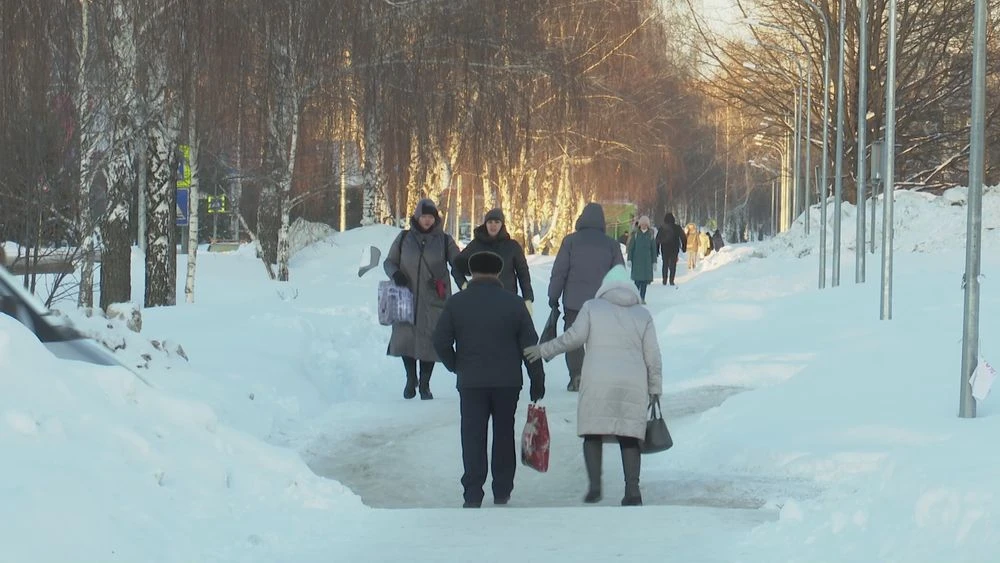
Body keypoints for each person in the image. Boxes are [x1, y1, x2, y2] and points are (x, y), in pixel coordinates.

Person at [524, 265, 662, 506]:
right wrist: (655, 389)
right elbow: (653, 357)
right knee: (630, 436)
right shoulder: (642, 315)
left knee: (592, 432)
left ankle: (595, 487)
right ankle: (632, 491)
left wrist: (543, 349)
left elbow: (572, 338)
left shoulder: (592, 308)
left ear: (605, 287)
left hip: (598, 381)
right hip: (632, 383)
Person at [433, 250, 546, 508]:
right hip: (507, 382)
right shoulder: (515, 303)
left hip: (471, 381)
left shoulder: (457, 303)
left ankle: (473, 492)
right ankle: (502, 490)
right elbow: (530, 345)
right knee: (504, 433)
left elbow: (440, 341)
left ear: (472, 273)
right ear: (497, 273)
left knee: (472, 435)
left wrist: (455, 365)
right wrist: (537, 378)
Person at [383, 198, 465, 400]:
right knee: (405, 338)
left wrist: (468, 268)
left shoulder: (444, 240)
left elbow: (458, 261)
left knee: (431, 340)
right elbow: (389, 262)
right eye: (423, 217)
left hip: (434, 299)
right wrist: (395, 274)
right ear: (417, 217)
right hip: (405, 295)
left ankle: (425, 385)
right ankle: (411, 379)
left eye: (431, 217)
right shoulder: (403, 238)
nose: (427, 221)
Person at [547, 202, 625, 392]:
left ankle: (577, 375)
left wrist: (553, 296)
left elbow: (560, 272)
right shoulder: (611, 245)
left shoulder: (570, 241)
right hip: (602, 304)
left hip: (574, 303)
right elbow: (619, 275)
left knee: (574, 339)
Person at [454, 208, 534, 313]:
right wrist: (464, 285)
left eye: (497, 222)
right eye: (490, 222)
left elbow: (523, 274)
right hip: (480, 301)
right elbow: (456, 266)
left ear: (502, 224)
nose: (493, 225)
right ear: (485, 224)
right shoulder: (476, 245)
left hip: (507, 301)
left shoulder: (512, 247)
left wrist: (527, 298)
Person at [626, 215, 656, 304]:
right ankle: (635, 298)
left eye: (645, 224)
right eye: (642, 224)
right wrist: (629, 259)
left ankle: (642, 298)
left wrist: (654, 262)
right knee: (637, 282)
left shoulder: (650, 235)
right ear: (640, 225)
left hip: (647, 262)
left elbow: (653, 249)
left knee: (644, 282)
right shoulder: (635, 235)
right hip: (637, 261)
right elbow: (631, 248)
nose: (643, 226)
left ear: (648, 225)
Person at [655, 213, 686, 286]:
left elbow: (657, 240)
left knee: (665, 264)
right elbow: (683, 237)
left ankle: (664, 280)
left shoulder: (662, 228)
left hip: (664, 249)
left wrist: (657, 250)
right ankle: (671, 280)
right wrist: (684, 247)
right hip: (674, 249)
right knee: (673, 265)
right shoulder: (677, 228)